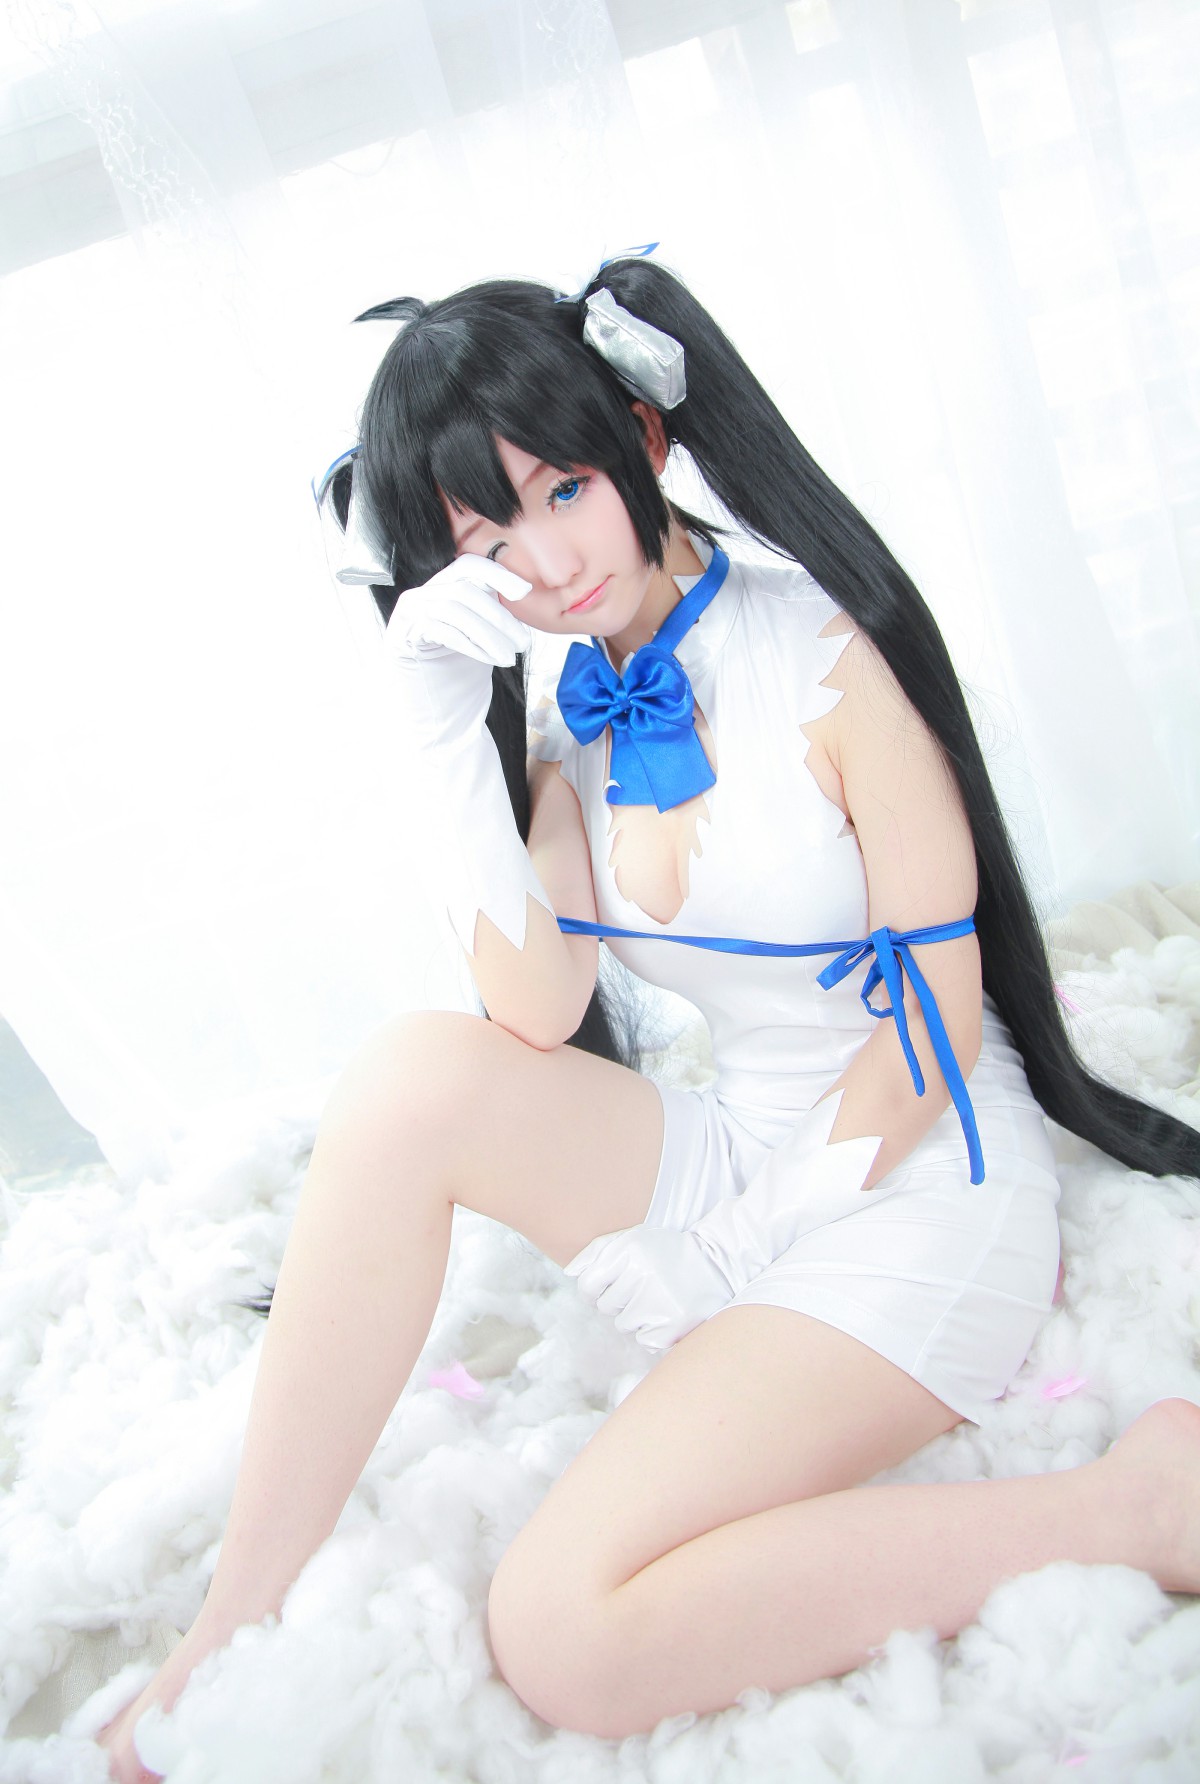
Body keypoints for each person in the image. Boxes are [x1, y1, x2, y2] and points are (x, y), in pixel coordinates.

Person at [100, 257, 1200, 1779]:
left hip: (922, 1177)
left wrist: (775, 1227)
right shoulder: (574, 712)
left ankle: (1129, 1510)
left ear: (643, 436)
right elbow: (531, 1008)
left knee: (563, 1632)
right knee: (412, 1077)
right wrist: (437, 720)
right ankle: (233, 1619)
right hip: (747, 1145)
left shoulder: (830, 654)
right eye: (490, 542)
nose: (548, 565)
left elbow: (940, 1009)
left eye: (563, 491)